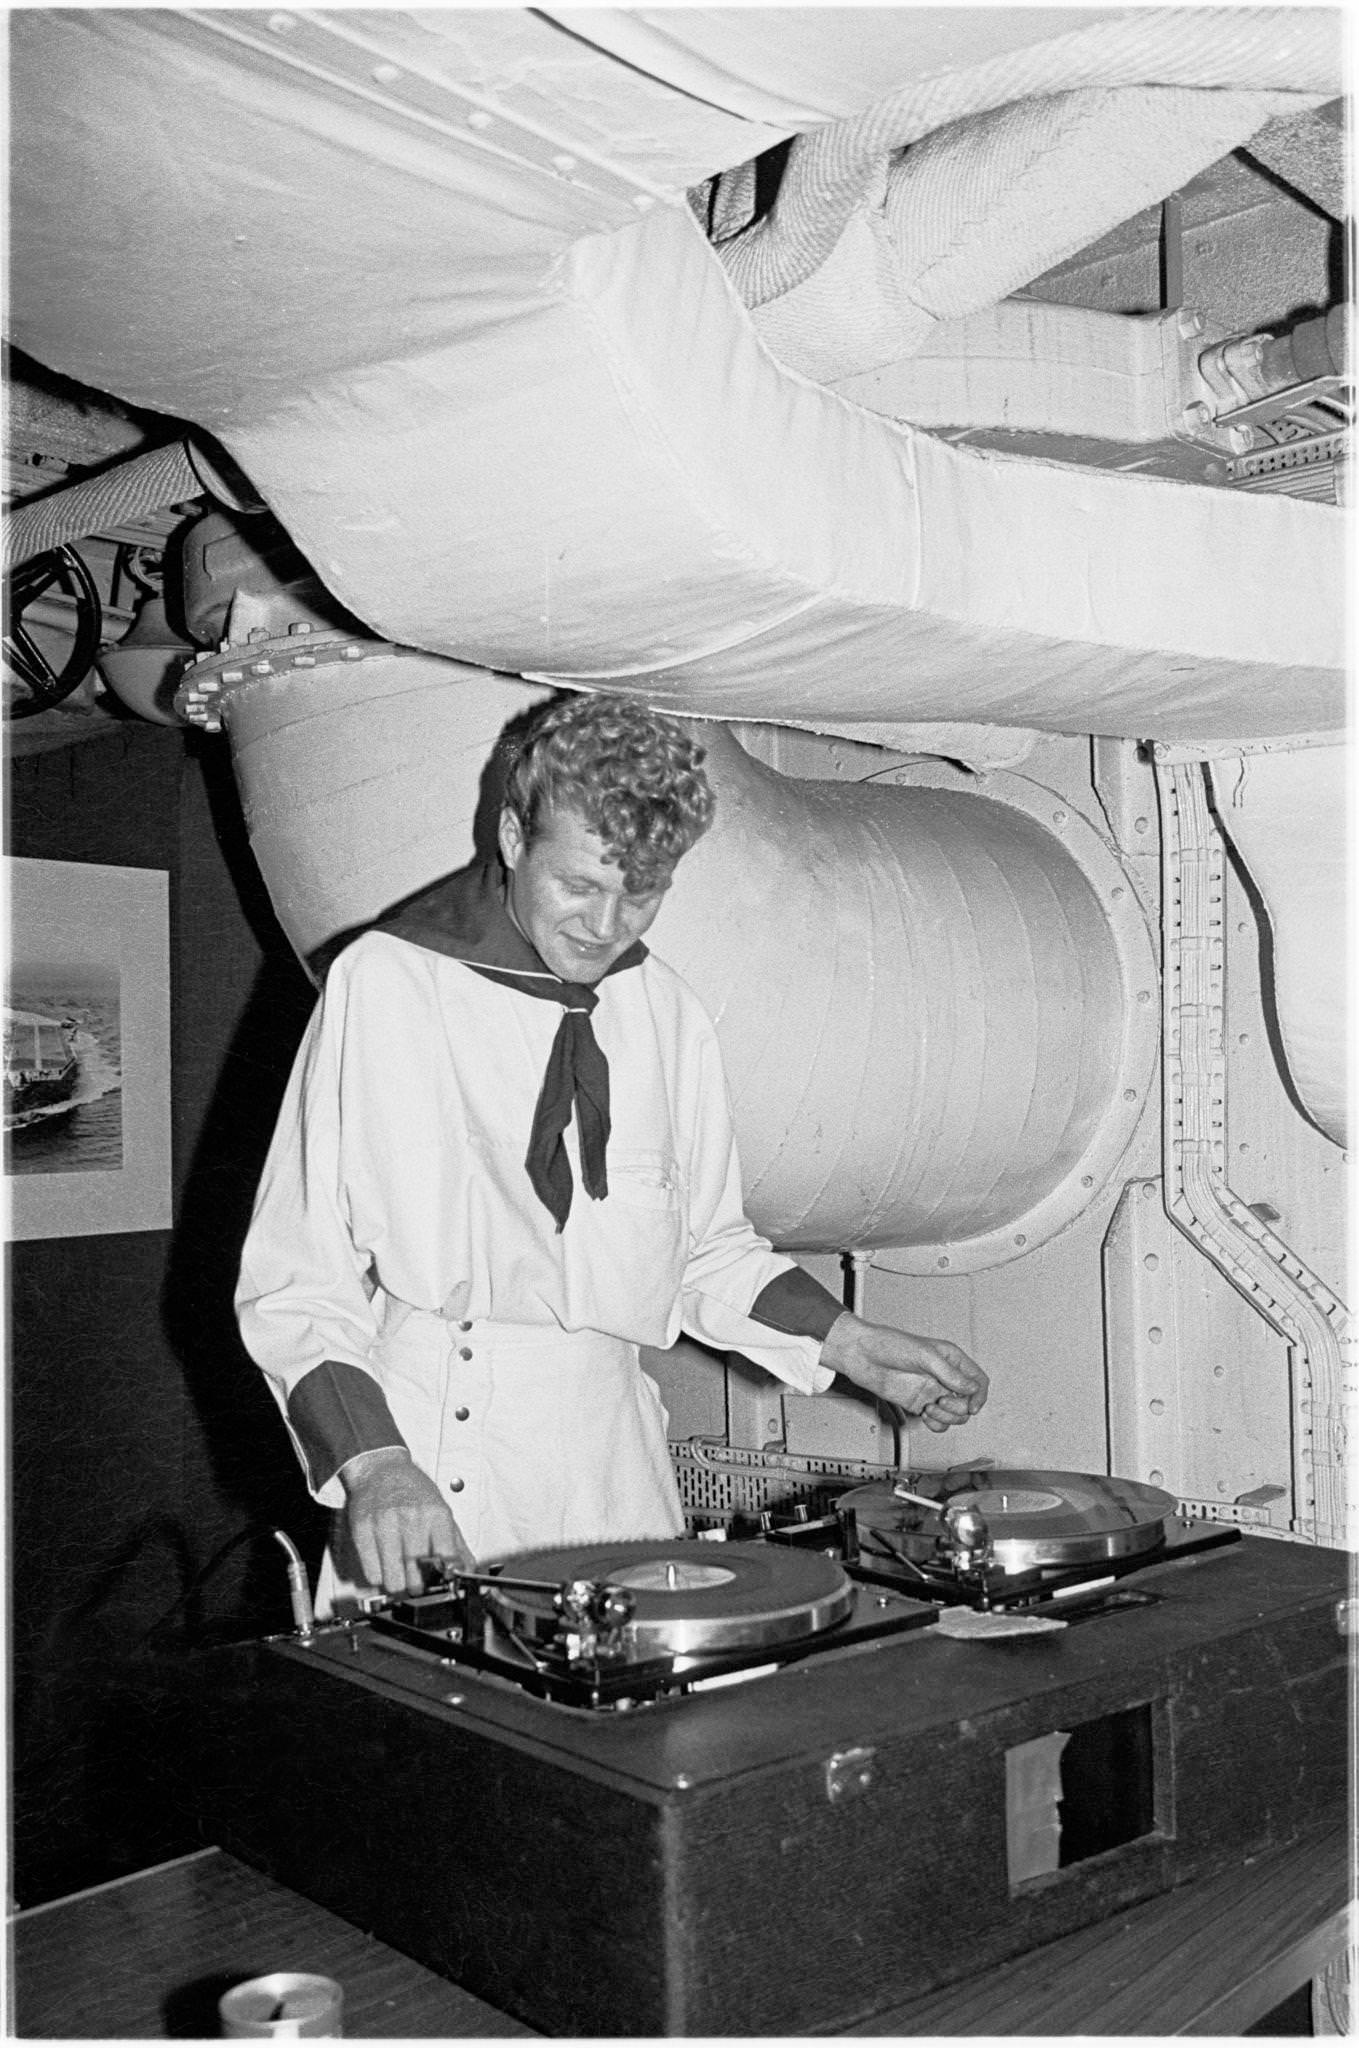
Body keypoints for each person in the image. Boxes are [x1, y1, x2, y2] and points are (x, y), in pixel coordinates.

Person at [237, 694, 988, 1606]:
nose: (607, 925)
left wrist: (849, 1342)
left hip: (614, 1468)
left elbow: (704, 1252)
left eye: (642, 892)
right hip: (433, 1460)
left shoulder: (666, 1015)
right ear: (512, 837)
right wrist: (374, 1464)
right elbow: (296, 1281)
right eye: (581, 885)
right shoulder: (388, 986)